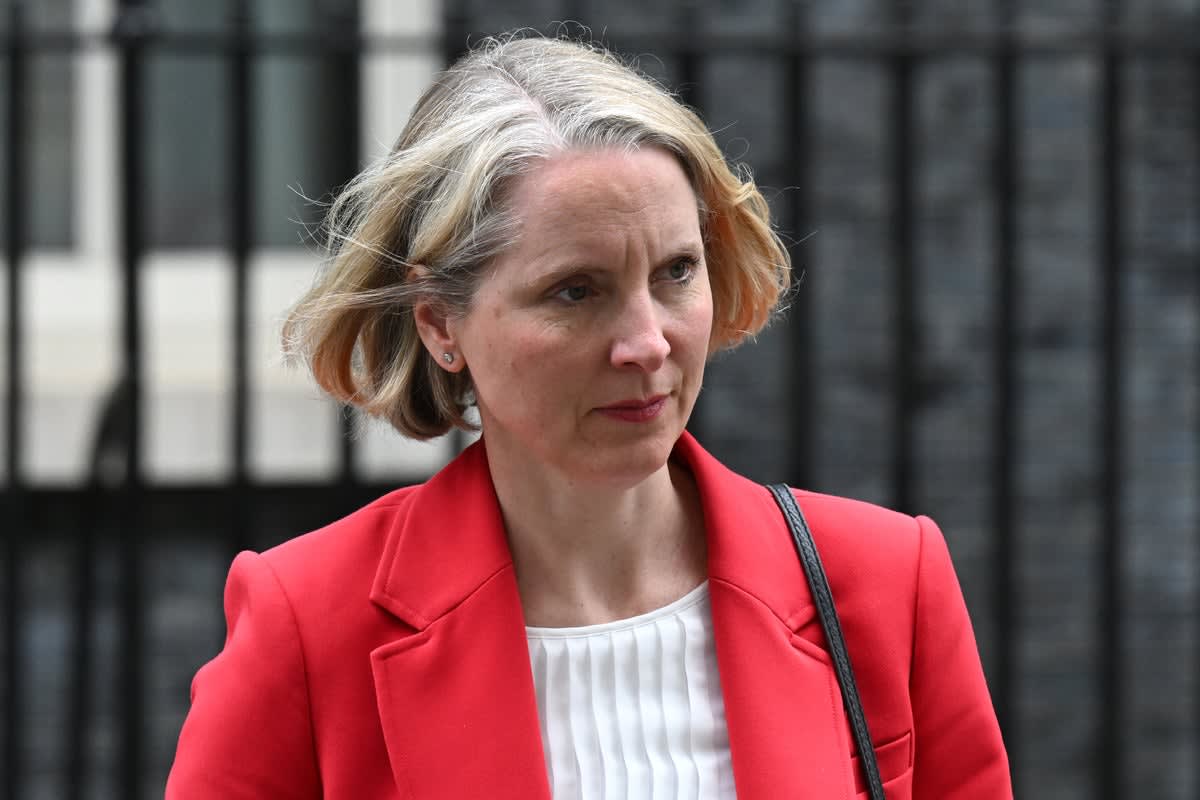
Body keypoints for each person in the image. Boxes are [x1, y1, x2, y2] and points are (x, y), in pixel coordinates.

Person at [166, 34, 1011, 800]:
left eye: (677, 272)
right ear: (440, 324)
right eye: (576, 291)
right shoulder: (312, 624)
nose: (646, 343)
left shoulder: (884, 584)